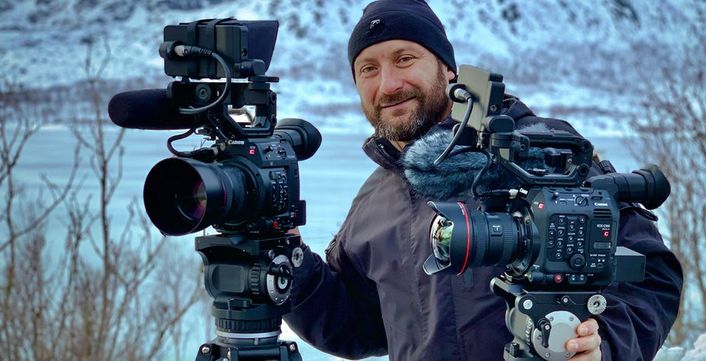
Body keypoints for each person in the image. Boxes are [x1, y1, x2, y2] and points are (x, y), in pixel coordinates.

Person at [284, 1, 683, 360]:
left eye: (404, 59)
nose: (388, 84)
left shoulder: (543, 154)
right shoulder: (376, 196)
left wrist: (603, 345)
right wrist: (287, 257)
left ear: (448, 69)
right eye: (368, 69)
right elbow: (356, 326)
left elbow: (651, 275)